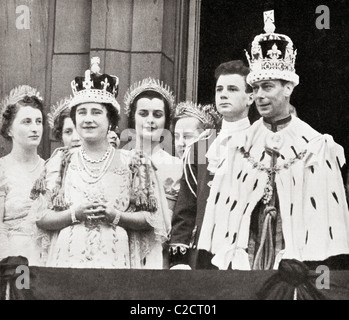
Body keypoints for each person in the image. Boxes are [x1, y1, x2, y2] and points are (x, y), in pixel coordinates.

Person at [197, 13, 349, 270]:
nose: (259, 96)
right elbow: (222, 217)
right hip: (246, 261)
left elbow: (328, 223)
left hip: (297, 266)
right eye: (255, 89)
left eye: (267, 87)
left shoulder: (317, 146)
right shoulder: (238, 147)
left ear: (288, 87)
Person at [33, 57, 169, 269]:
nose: (88, 119)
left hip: (115, 261)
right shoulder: (59, 162)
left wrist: (116, 216)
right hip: (67, 260)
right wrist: (74, 214)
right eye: (82, 112)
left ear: (111, 121)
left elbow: (152, 219)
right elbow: (41, 217)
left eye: (96, 112)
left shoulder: (134, 162)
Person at [169, 60, 254, 269]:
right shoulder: (199, 149)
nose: (223, 94)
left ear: (250, 97)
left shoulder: (261, 142)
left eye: (232, 89)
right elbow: (185, 209)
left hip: (247, 253)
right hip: (204, 253)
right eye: (219, 89)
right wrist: (179, 261)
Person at [123, 77, 183, 215]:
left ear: (165, 120)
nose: (150, 120)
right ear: (133, 117)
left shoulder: (176, 166)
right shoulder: (119, 160)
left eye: (157, 115)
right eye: (143, 114)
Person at [0, 85, 45, 265]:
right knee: (22, 287)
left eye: (38, 122)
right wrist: (7, 261)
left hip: (47, 257)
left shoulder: (50, 168)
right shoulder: (2, 169)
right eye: (26, 122)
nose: (35, 128)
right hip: (14, 259)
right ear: (9, 129)